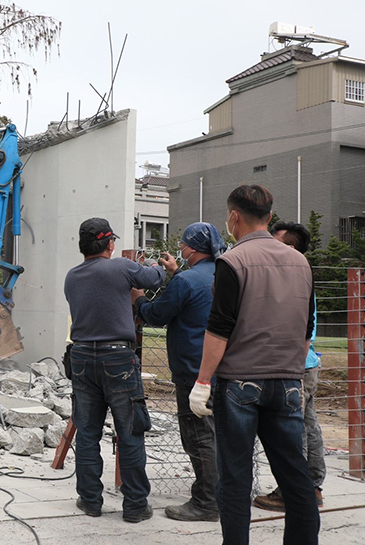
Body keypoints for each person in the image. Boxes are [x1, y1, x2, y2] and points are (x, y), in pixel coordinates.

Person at [189, 185, 319, 544]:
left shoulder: (231, 261)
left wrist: (202, 382)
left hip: (240, 384)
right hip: (289, 382)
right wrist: (291, 369)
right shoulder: (301, 262)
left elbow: (219, 329)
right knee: (295, 477)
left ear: (234, 217)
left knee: (235, 478)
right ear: (270, 217)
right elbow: (306, 328)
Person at [64, 217, 166, 523]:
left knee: (87, 432)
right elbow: (154, 279)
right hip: (118, 359)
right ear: (110, 244)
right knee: (130, 432)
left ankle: (90, 500)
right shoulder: (121, 268)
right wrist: (163, 266)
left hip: (82, 358)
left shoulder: (72, 276)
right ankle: (135, 505)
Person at [133, 222, 226, 522]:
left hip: (192, 370)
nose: (180, 250)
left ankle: (206, 502)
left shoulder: (186, 282)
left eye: (184, 245)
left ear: (193, 248)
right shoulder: (223, 273)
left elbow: (158, 315)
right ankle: (225, 495)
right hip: (224, 369)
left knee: (198, 436)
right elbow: (197, 296)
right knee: (220, 435)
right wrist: (176, 273)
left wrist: (139, 300)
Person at [253, 222, 326, 511]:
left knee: (295, 430)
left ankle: (292, 492)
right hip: (306, 364)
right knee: (309, 425)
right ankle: (313, 487)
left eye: (276, 242)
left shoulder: (292, 278)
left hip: (295, 364)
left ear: (290, 249)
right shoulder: (302, 276)